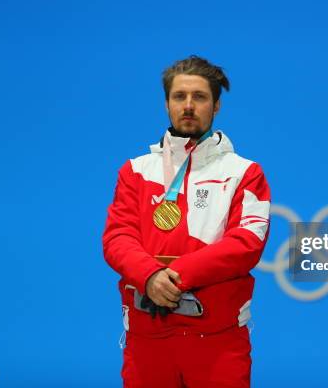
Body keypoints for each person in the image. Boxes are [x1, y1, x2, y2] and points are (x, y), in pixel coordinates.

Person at [102, 55, 271, 388]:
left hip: (217, 341)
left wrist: (175, 278)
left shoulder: (245, 173)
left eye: (200, 97)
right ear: (167, 103)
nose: (189, 105)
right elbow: (117, 237)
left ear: (217, 106)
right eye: (180, 97)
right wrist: (149, 275)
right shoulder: (136, 170)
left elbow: (246, 244)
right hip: (148, 339)